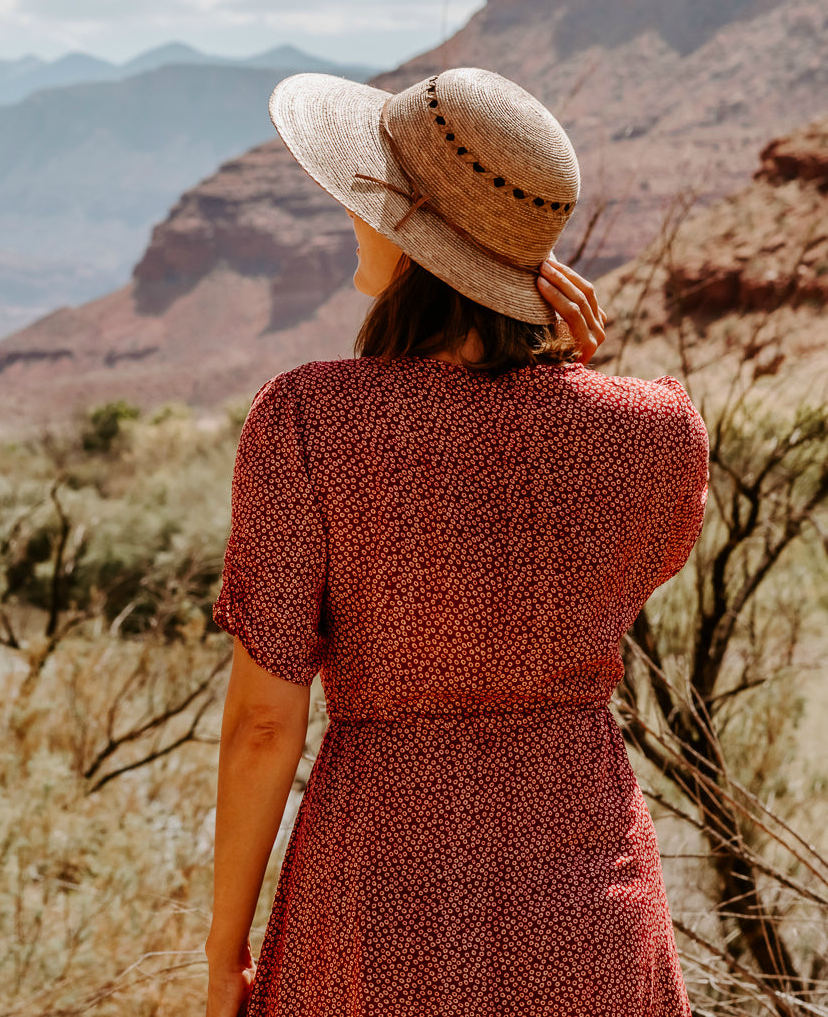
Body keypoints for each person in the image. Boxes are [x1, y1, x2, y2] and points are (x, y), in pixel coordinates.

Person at [205, 67, 709, 1017]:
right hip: (589, 894)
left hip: (383, 894)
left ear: (410, 225)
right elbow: (560, 530)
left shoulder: (311, 419)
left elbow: (264, 723)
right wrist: (572, 383)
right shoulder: (655, 432)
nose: (349, 215)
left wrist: (222, 954)